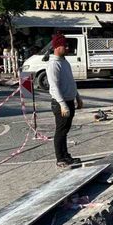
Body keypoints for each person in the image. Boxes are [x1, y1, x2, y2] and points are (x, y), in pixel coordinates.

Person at [47, 34, 83, 168]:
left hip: (69, 100)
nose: (67, 48)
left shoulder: (65, 61)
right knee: (60, 131)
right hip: (60, 103)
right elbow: (54, 87)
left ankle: (65, 154)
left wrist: (77, 97)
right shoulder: (53, 65)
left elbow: (71, 81)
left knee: (65, 131)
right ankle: (60, 158)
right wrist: (62, 104)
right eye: (64, 46)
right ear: (57, 47)